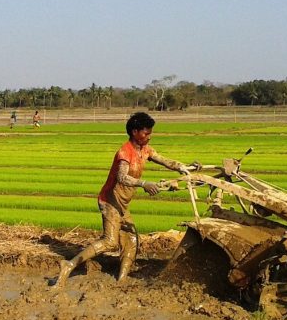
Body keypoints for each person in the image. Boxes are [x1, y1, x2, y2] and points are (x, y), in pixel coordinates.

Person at [52, 112, 195, 287]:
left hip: (122, 205)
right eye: (146, 133)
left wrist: (184, 167)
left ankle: (121, 280)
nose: (149, 136)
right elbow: (122, 177)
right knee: (110, 242)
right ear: (135, 132)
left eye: (150, 133)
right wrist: (143, 183)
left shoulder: (145, 150)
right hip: (110, 202)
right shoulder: (125, 152)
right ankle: (69, 265)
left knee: (132, 241)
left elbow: (164, 160)